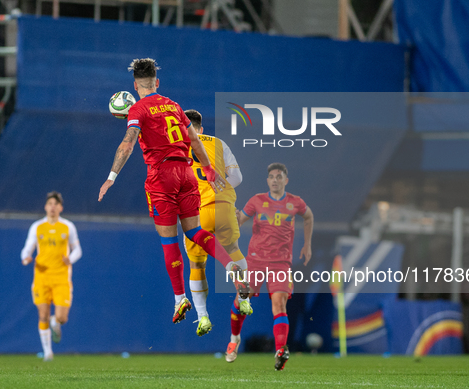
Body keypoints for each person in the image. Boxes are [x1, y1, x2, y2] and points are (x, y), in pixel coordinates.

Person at [98, 58, 250, 325]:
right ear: (157, 82)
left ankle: (180, 299)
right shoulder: (175, 106)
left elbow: (127, 143)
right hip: (187, 173)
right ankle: (231, 266)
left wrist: (111, 177)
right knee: (195, 232)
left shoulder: (138, 110)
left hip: (162, 176)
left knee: (169, 240)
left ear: (135, 85)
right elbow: (193, 139)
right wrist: (209, 169)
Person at [226, 163, 313, 371]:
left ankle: (281, 350)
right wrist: (231, 217)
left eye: (279, 176)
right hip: (255, 261)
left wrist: (307, 245)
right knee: (241, 301)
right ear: (268, 181)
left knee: (279, 305)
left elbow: (308, 216)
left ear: (286, 180)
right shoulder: (257, 200)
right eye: (272, 176)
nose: (275, 180)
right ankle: (234, 339)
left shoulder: (295, 202)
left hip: (281, 264)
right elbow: (240, 221)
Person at [182, 110, 252, 337]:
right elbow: (238, 178)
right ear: (200, 129)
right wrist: (219, 188)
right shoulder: (219, 144)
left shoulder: (177, 147)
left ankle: (202, 316)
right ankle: (244, 299)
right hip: (223, 207)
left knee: (197, 266)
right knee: (233, 250)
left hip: (196, 212)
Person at [21, 191, 82, 362]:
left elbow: (78, 250)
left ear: (61, 208)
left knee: (62, 317)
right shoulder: (37, 227)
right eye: (50, 204)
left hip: (62, 277)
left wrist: (70, 258)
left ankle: (56, 322)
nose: (52, 207)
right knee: (43, 315)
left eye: (56, 204)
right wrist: (25, 257)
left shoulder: (68, 226)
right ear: (45, 207)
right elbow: (27, 248)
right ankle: (48, 352)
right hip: (42, 277)